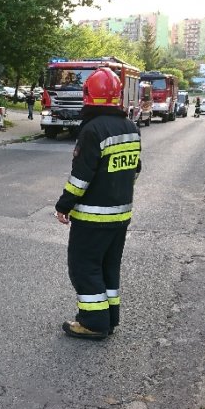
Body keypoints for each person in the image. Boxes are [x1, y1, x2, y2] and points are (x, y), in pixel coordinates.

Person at [54, 67, 142, 340]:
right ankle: (109, 318)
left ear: (88, 95)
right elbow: (135, 169)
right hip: (120, 215)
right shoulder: (130, 127)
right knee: (108, 267)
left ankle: (93, 322)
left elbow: (81, 178)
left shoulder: (92, 130)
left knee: (84, 267)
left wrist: (63, 205)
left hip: (93, 217)